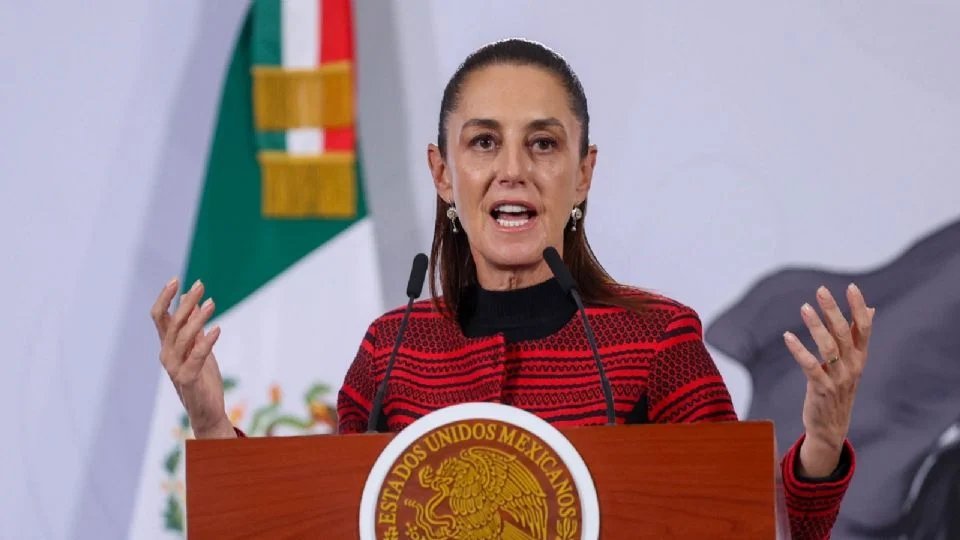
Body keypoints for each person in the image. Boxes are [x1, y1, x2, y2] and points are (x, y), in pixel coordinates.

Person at [150, 38, 875, 539]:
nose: (513, 171)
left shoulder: (656, 339)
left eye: (544, 143)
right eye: (484, 141)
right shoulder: (392, 351)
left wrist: (821, 444)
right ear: (443, 173)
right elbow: (332, 522)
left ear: (583, 173)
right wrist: (212, 424)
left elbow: (752, 522)